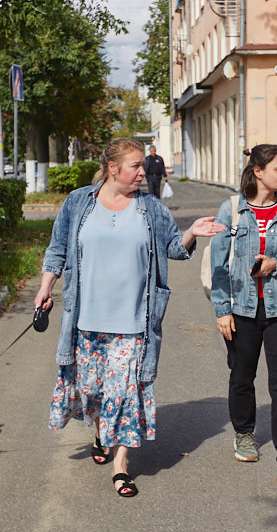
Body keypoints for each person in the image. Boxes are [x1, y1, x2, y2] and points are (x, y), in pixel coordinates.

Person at [36, 138, 225, 497]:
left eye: (143, 166)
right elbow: (57, 249)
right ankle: (99, 431)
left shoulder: (151, 208)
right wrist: (46, 287)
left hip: (134, 321)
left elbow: (173, 249)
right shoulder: (79, 202)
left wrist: (190, 233)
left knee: (124, 394)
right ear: (113, 169)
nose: (144, 172)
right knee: (91, 390)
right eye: (136, 166)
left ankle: (120, 466)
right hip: (86, 320)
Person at [207, 144, 277, 491]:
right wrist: (222, 310)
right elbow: (218, 265)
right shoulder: (232, 212)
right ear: (258, 171)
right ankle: (243, 433)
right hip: (241, 309)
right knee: (242, 376)